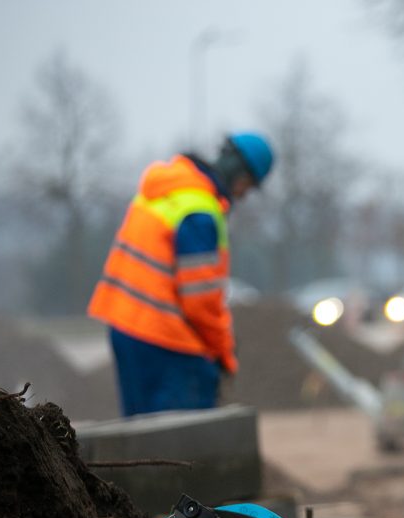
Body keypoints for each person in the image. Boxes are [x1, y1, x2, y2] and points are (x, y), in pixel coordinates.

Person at [87, 132, 275, 417]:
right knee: (184, 440)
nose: (242, 195)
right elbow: (200, 302)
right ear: (243, 177)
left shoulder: (167, 188)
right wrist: (223, 352)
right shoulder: (200, 212)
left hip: (124, 328)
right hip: (162, 337)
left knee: (141, 435)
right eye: (247, 188)